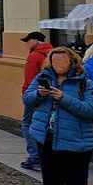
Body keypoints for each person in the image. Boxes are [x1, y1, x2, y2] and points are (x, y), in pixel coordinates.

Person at [23, 47, 93, 185]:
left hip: (76, 141)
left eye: (62, 61)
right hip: (46, 139)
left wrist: (63, 98)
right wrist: (39, 94)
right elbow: (27, 99)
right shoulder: (43, 78)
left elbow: (91, 110)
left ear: (72, 62)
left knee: (76, 183)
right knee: (52, 182)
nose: (58, 65)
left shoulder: (85, 84)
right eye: (55, 61)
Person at [20, 31, 53, 170]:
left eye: (28, 41)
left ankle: (35, 157)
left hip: (36, 94)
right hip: (52, 94)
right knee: (45, 124)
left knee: (27, 123)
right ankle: (46, 156)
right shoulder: (52, 53)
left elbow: (30, 79)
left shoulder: (34, 56)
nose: (27, 44)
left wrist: (26, 95)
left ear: (35, 40)